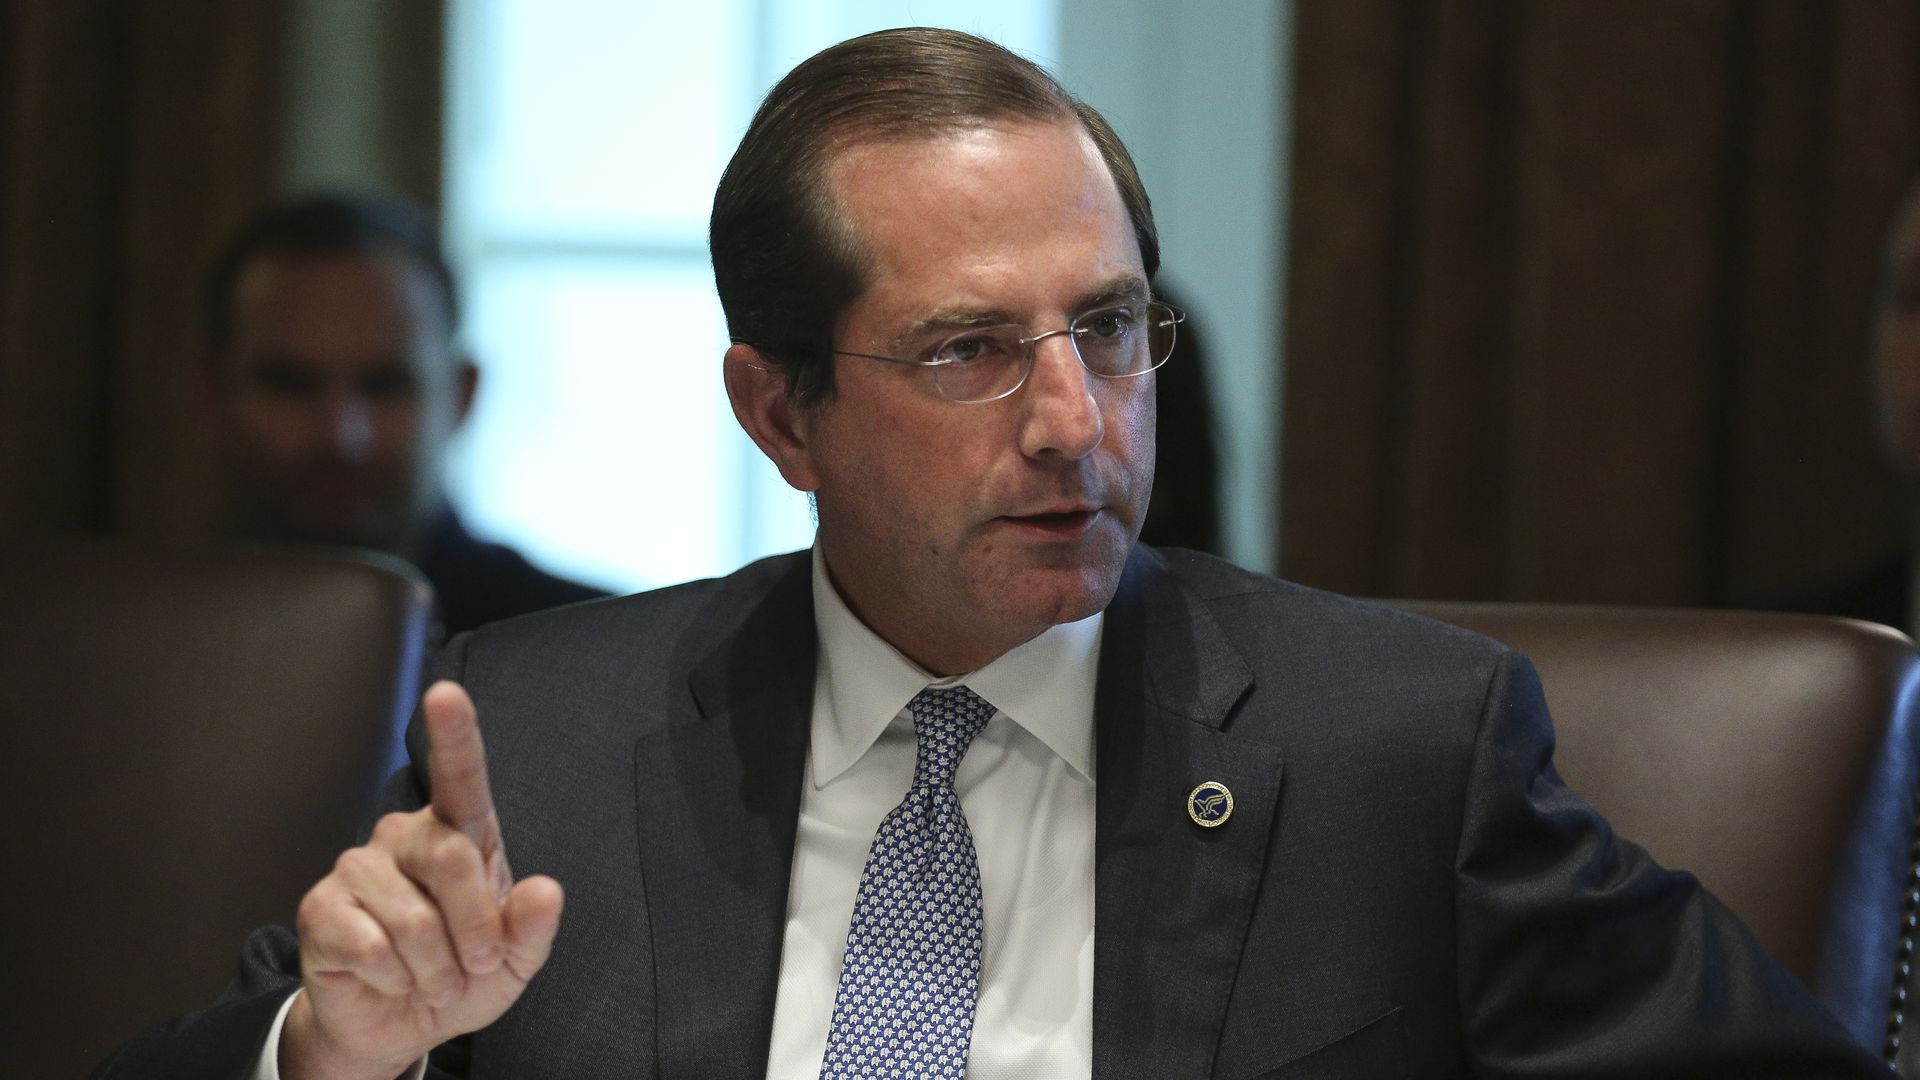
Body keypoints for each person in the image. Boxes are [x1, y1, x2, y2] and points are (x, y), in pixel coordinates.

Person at [105, 29, 1885, 1079]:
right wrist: (336, 1056)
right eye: (967, 352)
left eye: (1108, 331)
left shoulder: (1401, 748)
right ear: (779, 413)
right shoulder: (546, 729)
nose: (1074, 422)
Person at [203, 193, 608, 637]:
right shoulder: (143, 637)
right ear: (213, 391)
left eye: (385, 386)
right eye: (292, 385)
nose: (341, 436)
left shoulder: (594, 645)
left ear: (462, 395)